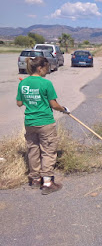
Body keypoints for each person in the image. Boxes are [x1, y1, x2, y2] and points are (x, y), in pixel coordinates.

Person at [16, 57, 69, 195]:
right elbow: (54, 105)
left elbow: (19, 103)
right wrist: (63, 109)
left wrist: (28, 94)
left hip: (30, 123)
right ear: (40, 68)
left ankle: (35, 179)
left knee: (33, 150)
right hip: (45, 122)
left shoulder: (23, 83)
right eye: (47, 67)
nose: (48, 69)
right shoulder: (46, 83)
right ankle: (47, 182)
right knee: (48, 150)